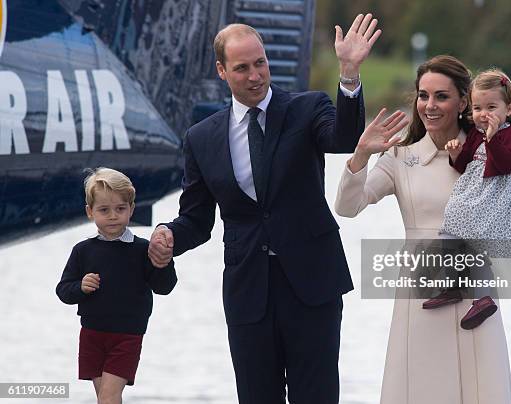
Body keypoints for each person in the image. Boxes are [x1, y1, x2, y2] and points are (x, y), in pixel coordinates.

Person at [147, 14, 381, 403]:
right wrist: (169, 234)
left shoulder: (308, 108)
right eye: (242, 68)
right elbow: (197, 218)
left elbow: (343, 138)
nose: (255, 75)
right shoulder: (201, 138)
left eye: (261, 63)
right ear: (222, 71)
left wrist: (350, 75)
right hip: (248, 292)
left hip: (311, 284)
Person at [335, 55, 511, 403]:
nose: (429, 105)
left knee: (482, 388)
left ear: (463, 101)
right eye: (423, 95)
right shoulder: (400, 158)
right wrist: (360, 154)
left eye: (441, 96)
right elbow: (348, 207)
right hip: (422, 295)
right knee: (420, 387)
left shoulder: (488, 151)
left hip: (475, 291)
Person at [437, 68, 511, 329]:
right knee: (450, 229)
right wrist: (455, 154)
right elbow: (464, 164)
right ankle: (454, 284)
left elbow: (507, 164)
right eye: (477, 108)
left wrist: (492, 138)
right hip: (475, 193)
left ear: (508, 109)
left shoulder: (510, 135)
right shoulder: (476, 133)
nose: (483, 114)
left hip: (498, 196)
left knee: (477, 244)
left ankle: (483, 297)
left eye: (491, 107)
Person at [56, 167, 177, 404]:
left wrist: (164, 261)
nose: (113, 216)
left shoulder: (143, 249)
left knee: (109, 398)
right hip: (91, 334)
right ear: (90, 212)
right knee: (105, 398)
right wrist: (80, 286)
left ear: (131, 209)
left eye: (120, 209)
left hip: (127, 336)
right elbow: (63, 290)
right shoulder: (83, 250)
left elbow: (164, 287)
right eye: (104, 210)